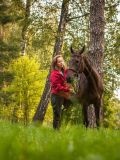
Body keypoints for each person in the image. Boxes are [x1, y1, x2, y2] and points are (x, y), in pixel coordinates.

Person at [50, 55, 73, 129]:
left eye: (62, 61)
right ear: (56, 64)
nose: (61, 63)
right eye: (59, 61)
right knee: (57, 115)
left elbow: (70, 77)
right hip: (56, 96)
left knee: (64, 112)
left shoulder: (65, 72)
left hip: (64, 95)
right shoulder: (54, 73)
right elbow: (57, 86)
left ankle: (61, 128)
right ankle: (56, 132)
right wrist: (67, 89)